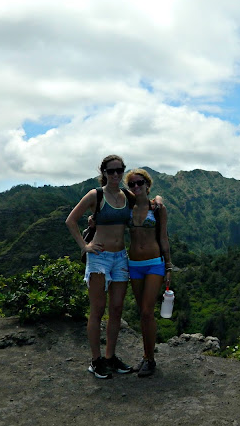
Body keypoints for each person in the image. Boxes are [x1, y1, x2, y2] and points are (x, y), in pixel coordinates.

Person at [65, 154, 135, 379]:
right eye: (111, 171)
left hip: (121, 257)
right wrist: (84, 246)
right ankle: (96, 360)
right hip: (99, 258)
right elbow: (70, 220)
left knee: (116, 309)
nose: (115, 174)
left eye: (119, 170)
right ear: (103, 172)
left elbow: (147, 205)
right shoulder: (96, 195)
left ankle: (110, 357)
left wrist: (159, 199)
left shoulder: (128, 196)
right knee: (97, 309)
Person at [124, 168, 172, 377]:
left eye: (140, 182)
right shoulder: (127, 207)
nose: (136, 186)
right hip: (134, 264)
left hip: (154, 264)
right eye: (132, 184)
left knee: (146, 311)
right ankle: (146, 356)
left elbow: (163, 237)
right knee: (142, 313)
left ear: (147, 185)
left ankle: (150, 359)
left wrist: (168, 266)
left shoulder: (157, 208)